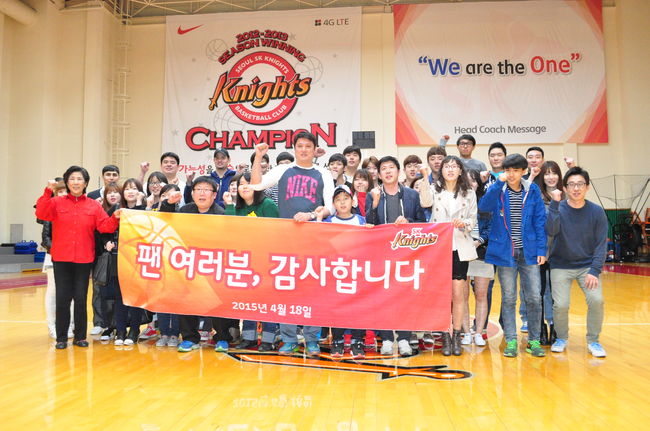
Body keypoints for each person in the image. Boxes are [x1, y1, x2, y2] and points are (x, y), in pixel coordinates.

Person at [249, 132, 334, 356]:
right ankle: (288, 339)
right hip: (286, 240)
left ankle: (312, 339)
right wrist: (258, 157)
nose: (304, 150)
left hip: (313, 240)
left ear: (315, 150)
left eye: (308, 146)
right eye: (300, 146)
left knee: (312, 290)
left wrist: (312, 214)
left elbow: (330, 207)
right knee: (287, 289)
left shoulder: (323, 173)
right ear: (294, 149)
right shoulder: (283, 169)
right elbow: (256, 185)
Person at [35, 166, 121, 349]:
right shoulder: (56, 202)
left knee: (81, 298)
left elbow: (105, 226)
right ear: (67, 182)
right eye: (72, 179)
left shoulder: (93, 205)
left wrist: (115, 217)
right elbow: (41, 213)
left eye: (79, 179)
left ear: (86, 183)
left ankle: (80, 337)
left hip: (84, 258)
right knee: (63, 298)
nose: (76, 182)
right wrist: (48, 191)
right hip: (61, 258)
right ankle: (61, 338)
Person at [479, 154, 547, 358]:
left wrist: (541, 250)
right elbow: (483, 207)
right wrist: (496, 184)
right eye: (508, 170)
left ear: (523, 171)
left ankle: (534, 340)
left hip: (529, 252)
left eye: (516, 171)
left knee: (534, 297)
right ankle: (511, 340)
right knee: (508, 298)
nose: (511, 174)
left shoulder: (532, 190)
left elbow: (540, 221)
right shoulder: (498, 189)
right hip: (505, 253)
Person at [160, 176, 239, 352]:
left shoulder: (221, 213)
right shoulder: (185, 210)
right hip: (188, 264)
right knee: (186, 301)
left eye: (206, 190)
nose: (202, 193)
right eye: (198, 189)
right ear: (192, 193)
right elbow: (166, 222)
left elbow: (232, 233)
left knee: (217, 303)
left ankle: (222, 337)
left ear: (214, 195)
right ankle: (189, 338)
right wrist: (168, 204)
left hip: (213, 265)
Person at [365, 156, 426, 356]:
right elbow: (369, 225)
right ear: (379, 174)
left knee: (404, 297)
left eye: (391, 167)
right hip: (381, 254)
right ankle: (387, 339)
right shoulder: (373, 194)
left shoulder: (411, 195)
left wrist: (408, 222)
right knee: (383, 298)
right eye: (384, 168)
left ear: (398, 171)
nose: (388, 171)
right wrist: (374, 203)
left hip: (406, 254)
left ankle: (404, 339)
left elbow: (422, 223)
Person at [546, 167, 608, 357]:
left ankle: (593, 341)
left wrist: (594, 270)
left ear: (587, 187)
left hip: (587, 266)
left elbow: (601, 244)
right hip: (560, 265)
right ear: (565, 188)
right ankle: (561, 338)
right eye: (571, 184)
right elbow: (551, 230)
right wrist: (555, 204)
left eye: (580, 184)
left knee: (597, 300)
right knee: (561, 305)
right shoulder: (557, 208)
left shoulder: (597, 212)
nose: (576, 188)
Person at [419, 157, 477, 356]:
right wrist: (425, 177)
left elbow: (472, 219)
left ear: (460, 171)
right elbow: (425, 202)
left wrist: (464, 224)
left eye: (454, 166)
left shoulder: (469, 193)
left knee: (458, 295)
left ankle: (457, 336)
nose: (450, 170)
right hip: (438, 249)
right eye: (447, 166)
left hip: (459, 247)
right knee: (443, 296)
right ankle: (445, 334)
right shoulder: (434, 190)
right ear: (441, 170)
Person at [223, 172, 280, 351]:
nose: (245, 186)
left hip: (267, 261)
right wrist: (229, 205)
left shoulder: (268, 205)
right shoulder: (238, 207)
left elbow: (277, 232)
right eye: (241, 184)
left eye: (249, 182)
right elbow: (230, 230)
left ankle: (269, 340)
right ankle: (248, 337)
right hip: (245, 261)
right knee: (248, 301)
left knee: (267, 301)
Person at [318, 185, 367, 359]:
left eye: (346, 198)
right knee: (337, 307)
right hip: (336, 273)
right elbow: (319, 240)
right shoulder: (329, 222)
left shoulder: (361, 221)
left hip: (357, 273)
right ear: (333, 204)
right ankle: (337, 340)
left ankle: (357, 341)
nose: (342, 202)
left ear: (353, 201)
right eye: (338, 200)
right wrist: (318, 218)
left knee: (358, 307)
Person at [102, 179, 147, 346]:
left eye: (134, 188)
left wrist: (140, 204)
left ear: (140, 192)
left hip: (139, 259)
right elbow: (104, 229)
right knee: (120, 296)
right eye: (127, 189)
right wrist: (106, 242)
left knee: (135, 297)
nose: (130, 191)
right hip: (118, 258)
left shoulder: (144, 209)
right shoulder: (116, 209)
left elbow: (143, 226)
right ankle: (120, 330)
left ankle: (134, 330)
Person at [87, 164, 121, 335]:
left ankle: (115, 324)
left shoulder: (122, 206)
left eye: (114, 174)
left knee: (116, 290)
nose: (111, 177)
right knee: (98, 288)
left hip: (118, 254)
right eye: (108, 174)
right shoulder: (92, 197)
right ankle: (99, 322)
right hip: (99, 252)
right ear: (102, 176)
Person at [534, 161, 564, 345]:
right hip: (540, 252)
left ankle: (555, 326)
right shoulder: (537, 196)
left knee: (556, 293)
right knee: (539, 292)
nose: (551, 177)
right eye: (547, 173)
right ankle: (540, 327)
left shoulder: (566, 197)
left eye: (554, 173)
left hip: (560, 253)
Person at [40, 179, 74, 339]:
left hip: (73, 257)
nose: (63, 194)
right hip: (54, 258)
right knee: (53, 292)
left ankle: (70, 325)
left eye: (65, 191)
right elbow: (45, 238)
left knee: (72, 293)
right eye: (60, 191)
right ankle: (52, 325)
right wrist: (57, 251)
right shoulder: (50, 212)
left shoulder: (74, 211)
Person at [465, 169, 492, 347]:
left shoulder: (486, 202)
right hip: (462, 254)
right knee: (462, 296)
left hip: (482, 253)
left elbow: (491, 227)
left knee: (481, 295)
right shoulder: (458, 202)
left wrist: (478, 242)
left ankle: (479, 332)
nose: (471, 184)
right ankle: (466, 332)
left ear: (478, 183)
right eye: (467, 181)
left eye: (474, 180)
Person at [153, 184, 181, 347]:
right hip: (160, 262)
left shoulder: (184, 214)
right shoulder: (155, 216)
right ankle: (163, 333)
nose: (169, 198)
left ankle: (175, 334)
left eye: (173, 195)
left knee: (176, 301)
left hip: (179, 263)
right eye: (165, 195)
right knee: (161, 299)